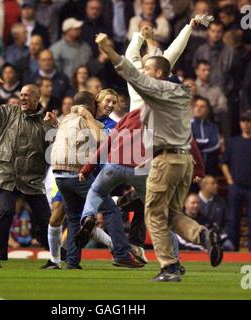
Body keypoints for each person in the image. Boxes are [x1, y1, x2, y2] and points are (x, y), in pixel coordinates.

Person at [96, 32, 222, 282]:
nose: (142, 72)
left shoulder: (154, 90)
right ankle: (203, 236)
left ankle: (170, 268)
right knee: (172, 213)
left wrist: (107, 49)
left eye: (148, 69)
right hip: (183, 160)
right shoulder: (179, 93)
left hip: (166, 161)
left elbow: (127, 69)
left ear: (160, 74)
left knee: (153, 213)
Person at [50, 91, 141, 269]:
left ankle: (71, 261)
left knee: (74, 217)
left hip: (62, 175)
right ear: (96, 101)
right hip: (80, 174)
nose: (111, 105)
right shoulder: (91, 120)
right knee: (111, 210)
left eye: (114, 103)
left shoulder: (70, 117)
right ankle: (122, 253)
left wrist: (56, 123)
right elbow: (102, 139)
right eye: (108, 100)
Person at [0, 77, 54, 269]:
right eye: (21, 95)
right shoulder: (9, 113)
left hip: (31, 177)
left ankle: (56, 257)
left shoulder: (45, 123)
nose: (23, 98)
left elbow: (54, 151)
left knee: (46, 218)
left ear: (37, 99)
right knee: (6, 210)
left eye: (27, 95)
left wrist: (56, 127)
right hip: (6, 173)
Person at [221, 110, 251, 252]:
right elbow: (223, 162)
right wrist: (229, 179)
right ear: (240, 123)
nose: (246, 124)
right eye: (243, 121)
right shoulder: (232, 142)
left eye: (248, 121)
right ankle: (232, 248)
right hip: (235, 186)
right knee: (233, 219)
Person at [50, 18, 93, 82]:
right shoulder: (56, 49)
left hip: (85, 83)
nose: (79, 30)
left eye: (79, 28)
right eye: (76, 29)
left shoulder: (86, 47)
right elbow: (56, 70)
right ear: (67, 30)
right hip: (66, 85)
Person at [194, 60, 228, 136]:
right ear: (197, 71)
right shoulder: (192, 87)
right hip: (194, 126)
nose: (207, 73)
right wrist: (213, 106)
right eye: (203, 70)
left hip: (213, 123)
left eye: (209, 70)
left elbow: (223, 106)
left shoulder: (216, 89)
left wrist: (208, 110)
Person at [191, 96, 220, 176]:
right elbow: (190, 145)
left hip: (209, 168)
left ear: (207, 110)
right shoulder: (187, 125)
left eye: (202, 106)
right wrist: (206, 142)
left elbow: (214, 145)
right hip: (191, 169)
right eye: (196, 106)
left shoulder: (213, 127)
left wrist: (197, 144)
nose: (198, 108)